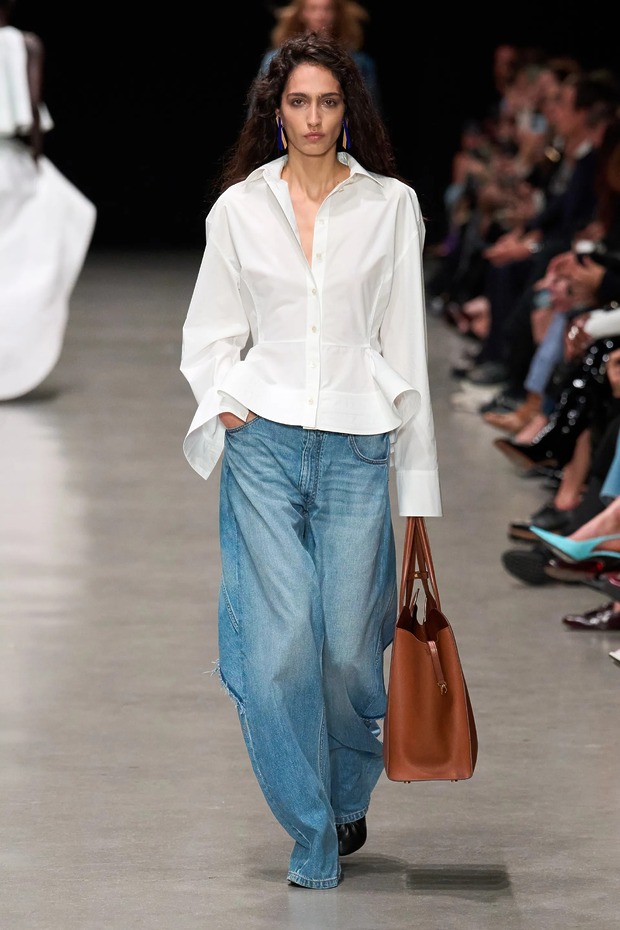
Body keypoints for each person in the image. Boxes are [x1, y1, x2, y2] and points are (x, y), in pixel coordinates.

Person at [180, 32, 442, 890]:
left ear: (348, 108)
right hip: (263, 439)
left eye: (329, 101)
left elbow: (405, 342)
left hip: (360, 444)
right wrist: (226, 400)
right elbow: (211, 328)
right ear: (276, 111)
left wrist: (419, 490)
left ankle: (344, 791)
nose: (315, 117)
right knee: (281, 644)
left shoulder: (391, 206)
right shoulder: (239, 209)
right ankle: (310, 826)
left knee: (349, 653)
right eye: (299, 102)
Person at [0, 0, 96, 401]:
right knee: (22, 256)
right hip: (11, 163)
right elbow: (32, 107)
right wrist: (37, 160)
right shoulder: (23, 43)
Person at [256, 0, 381, 110]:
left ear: (336, 13)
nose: (320, 16)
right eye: (313, 8)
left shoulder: (359, 63)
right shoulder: (276, 60)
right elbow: (260, 110)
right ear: (302, 13)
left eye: (327, 9)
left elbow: (370, 113)